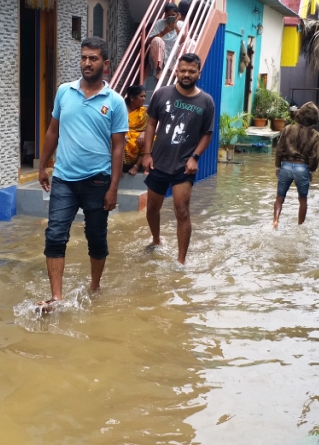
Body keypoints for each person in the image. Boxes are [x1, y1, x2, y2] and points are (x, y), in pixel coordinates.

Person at [37, 36, 128, 309]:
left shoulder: (115, 102)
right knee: (55, 235)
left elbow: (118, 148)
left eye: (93, 58)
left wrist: (113, 187)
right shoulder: (65, 92)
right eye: (84, 57)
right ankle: (56, 297)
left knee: (96, 236)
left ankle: (95, 286)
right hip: (64, 178)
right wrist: (42, 166)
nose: (87, 63)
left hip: (98, 181)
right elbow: (53, 131)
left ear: (106, 64)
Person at [142, 53, 215, 265]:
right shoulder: (161, 94)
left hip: (184, 165)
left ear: (198, 73)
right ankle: (156, 240)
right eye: (183, 70)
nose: (186, 74)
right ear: (176, 71)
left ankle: (180, 261)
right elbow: (150, 124)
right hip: (158, 161)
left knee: (182, 210)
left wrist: (195, 157)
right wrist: (146, 154)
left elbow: (207, 133)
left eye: (191, 71)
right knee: (152, 209)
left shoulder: (206, 102)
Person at [272, 102, 319, 228]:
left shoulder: (287, 128)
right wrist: (310, 171)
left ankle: (276, 220)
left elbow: (279, 149)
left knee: (279, 198)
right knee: (303, 200)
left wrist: (278, 167)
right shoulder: (315, 134)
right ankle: (300, 225)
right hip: (302, 167)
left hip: (286, 166)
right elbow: (315, 157)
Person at [147, 3, 184, 79]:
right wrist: (164, 32)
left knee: (189, 43)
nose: (171, 17)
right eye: (168, 15)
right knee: (157, 40)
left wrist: (176, 26)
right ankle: (159, 70)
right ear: (165, 15)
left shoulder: (181, 24)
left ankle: (174, 69)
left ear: (178, 15)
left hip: (175, 51)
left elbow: (184, 41)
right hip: (161, 51)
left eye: (173, 15)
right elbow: (150, 41)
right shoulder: (159, 23)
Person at [123, 85, 148, 175]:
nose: (144, 99)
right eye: (141, 96)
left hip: (137, 136)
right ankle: (118, 166)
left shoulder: (144, 112)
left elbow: (149, 127)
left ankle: (136, 166)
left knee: (150, 138)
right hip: (123, 134)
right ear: (132, 98)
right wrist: (122, 134)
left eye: (145, 96)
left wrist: (143, 132)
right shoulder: (121, 108)